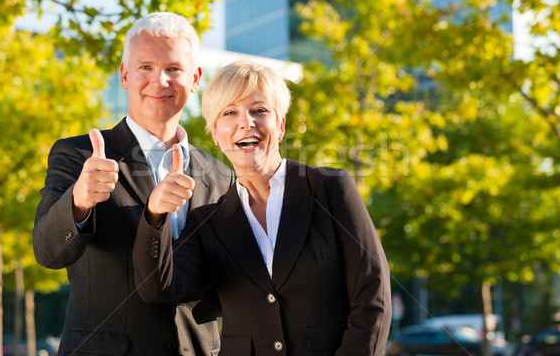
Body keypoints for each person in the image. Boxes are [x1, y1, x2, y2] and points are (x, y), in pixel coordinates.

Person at [133, 60, 392, 355]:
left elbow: (373, 294)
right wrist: (154, 215)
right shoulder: (207, 222)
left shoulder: (330, 188)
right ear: (216, 135)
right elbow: (157, 288)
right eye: (230, 113)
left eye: (260, 110)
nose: (247, 122)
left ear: (279, 125)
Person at [33, 12, 233, 356]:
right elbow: (48, 252)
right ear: (125, 76)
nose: (160, 81)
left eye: (174, 68)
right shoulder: (77, 155)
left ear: (195, 78)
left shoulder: (220, 175)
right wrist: (78, 202)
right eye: (145, 68)